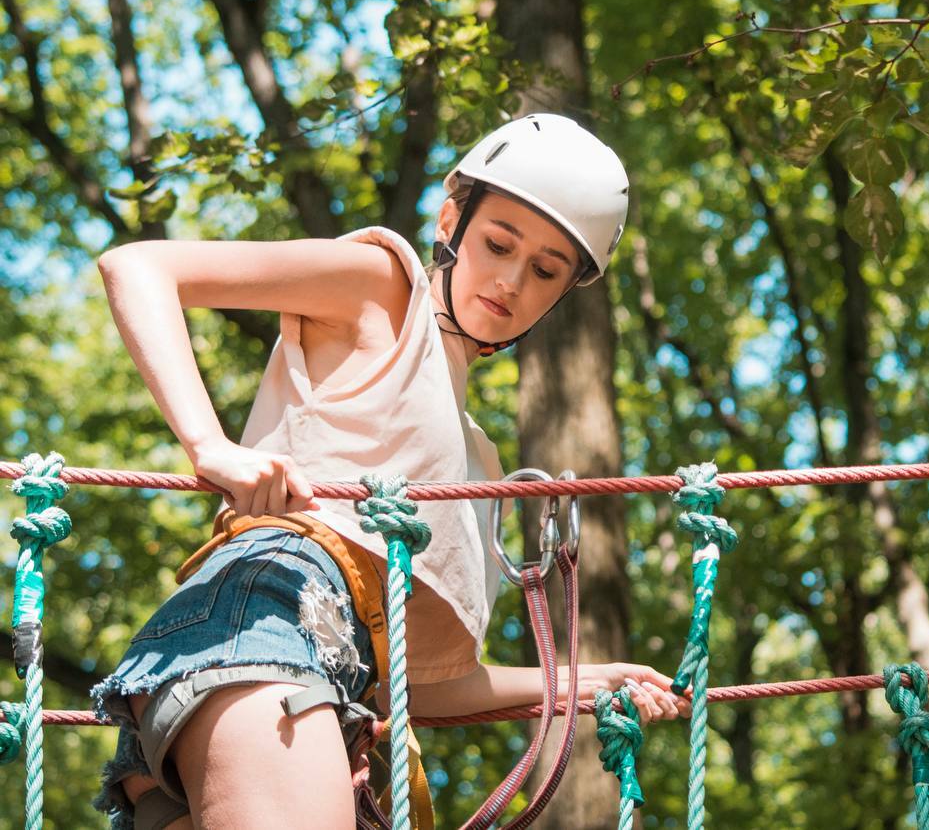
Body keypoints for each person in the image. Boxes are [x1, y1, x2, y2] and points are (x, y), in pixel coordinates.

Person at [90, 113, 689, 830]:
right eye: (498, 242)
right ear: (451, 218)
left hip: (330, 680)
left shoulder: (479, 465)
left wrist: (584, 680)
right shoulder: (385, 290)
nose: (510, 279)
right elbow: (139, 266)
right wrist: (208, 443)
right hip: (267, 615)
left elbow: (430, 686)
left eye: (545, 270)